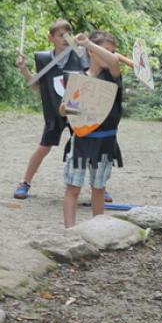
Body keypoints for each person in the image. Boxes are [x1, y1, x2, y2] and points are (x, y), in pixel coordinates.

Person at [14, 19, 86, 199]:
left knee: (87, 146)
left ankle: (99, 187)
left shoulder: (80, 55)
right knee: (43, 147)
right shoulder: (44, 59)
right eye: (60, 35)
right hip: (54, 112)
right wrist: (24, 70)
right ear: (51, 37)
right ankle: (24, 182)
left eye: (68, 35)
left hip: (77, 111)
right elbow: (36, 85)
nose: (65, 39)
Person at [59, 32, 123, 228]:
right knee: (73, 188)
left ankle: (97, 228)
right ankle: (70, 230)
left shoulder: (113, 76)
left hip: (105, 142)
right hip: (82, 140)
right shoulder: (79, 79)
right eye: (103, 50)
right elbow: (64, 110)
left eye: (111, 51)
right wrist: (68, 107)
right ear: (91, 53)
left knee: (98, 187)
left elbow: (113, 61)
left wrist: (88, 43)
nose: (108, 54)